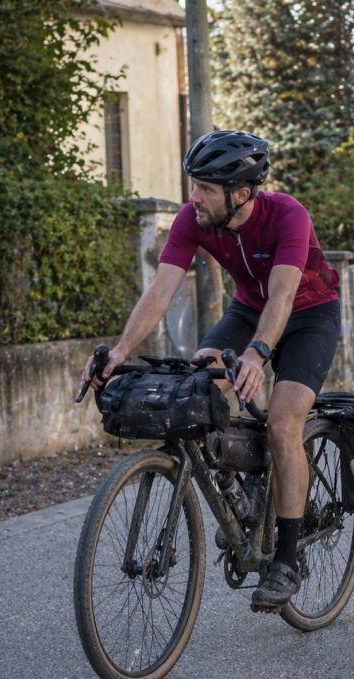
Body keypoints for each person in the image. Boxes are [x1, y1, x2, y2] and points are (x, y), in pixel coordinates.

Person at [79, 130, 340, 611]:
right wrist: (119, 350)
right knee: (198, 383)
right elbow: (161, 289)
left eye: (205, 188)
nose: (193, 197)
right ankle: (243, 485)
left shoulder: (288, 215)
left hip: (309, 316)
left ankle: (286, 559)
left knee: (283, 426)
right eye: (193, 185)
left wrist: (257, 354)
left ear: (240, 194)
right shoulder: (194, 219)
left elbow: (283, 295)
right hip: (247, 309)